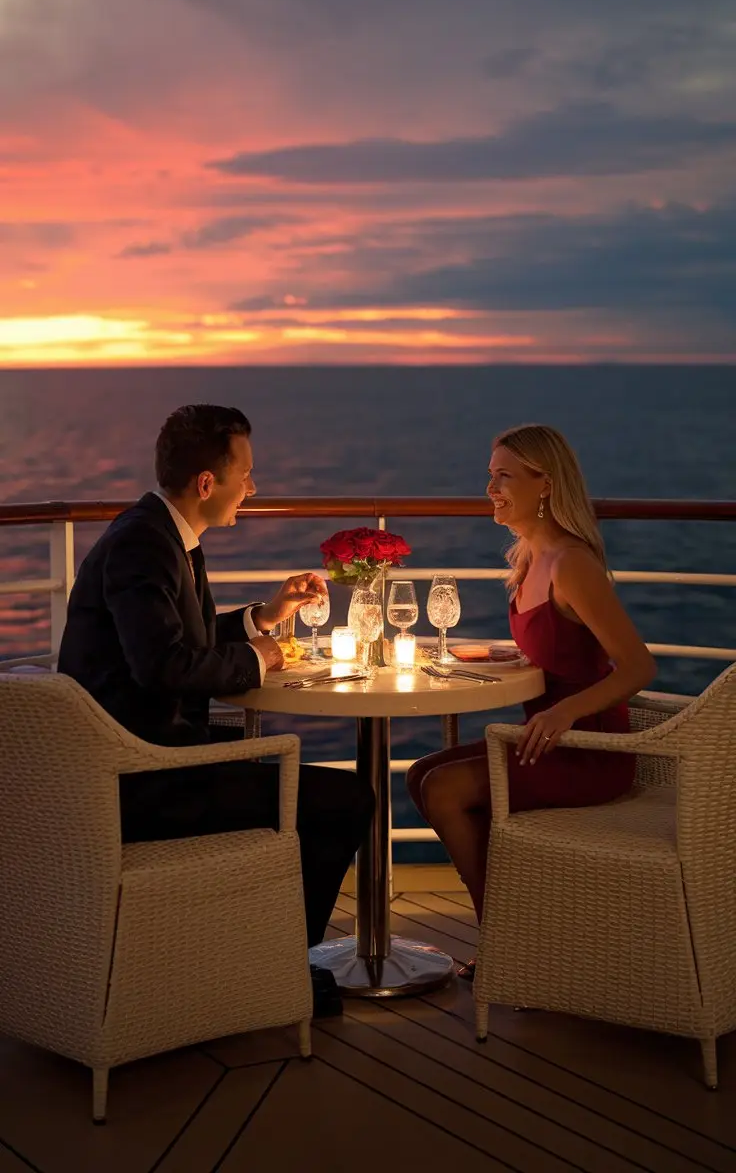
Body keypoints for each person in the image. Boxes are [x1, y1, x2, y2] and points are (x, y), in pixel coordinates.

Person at [59, 404, 374, 1009]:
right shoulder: (142, 547)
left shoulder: (164, 535)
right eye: (246, 475)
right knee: (345, 800)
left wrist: (264, 620)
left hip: (149, 759)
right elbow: (164, 667)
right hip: (139, 780)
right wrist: (261, 659)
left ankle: (264, 953)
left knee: (311, 787)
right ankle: (282, 967)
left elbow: (178, 644)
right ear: (208, 483)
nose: (252, 488)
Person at [407, 424, 655, 970]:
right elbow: (561, 649)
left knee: (445, 790)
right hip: (543, 741)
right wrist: (512, 659)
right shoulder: (528, 557)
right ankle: (515, 925)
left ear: (545, 484)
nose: (491, 488)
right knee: (419, 774)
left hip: (590, 749)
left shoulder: (572, 564)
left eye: (505, 477)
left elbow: (638, 665)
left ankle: (504, 943)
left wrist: (566, 708)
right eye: (490, 476)